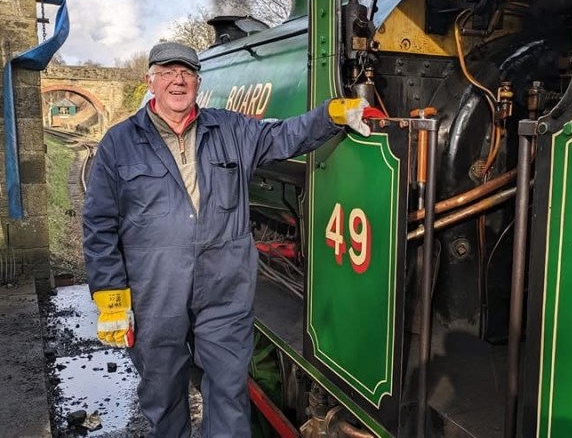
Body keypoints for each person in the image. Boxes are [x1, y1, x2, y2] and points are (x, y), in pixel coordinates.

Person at [82, 41, 370, 437]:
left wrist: (331, 115)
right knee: (163, 394)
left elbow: (286, 136)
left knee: (229, 393)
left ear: (198, 82)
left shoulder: (231, 128)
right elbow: (99, 222)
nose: (177, 80)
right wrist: (110, 294)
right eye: (167, 72)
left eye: (185, 72)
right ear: (150, 80)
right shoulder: (119, 142)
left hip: (224, 288)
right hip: (154, 292)